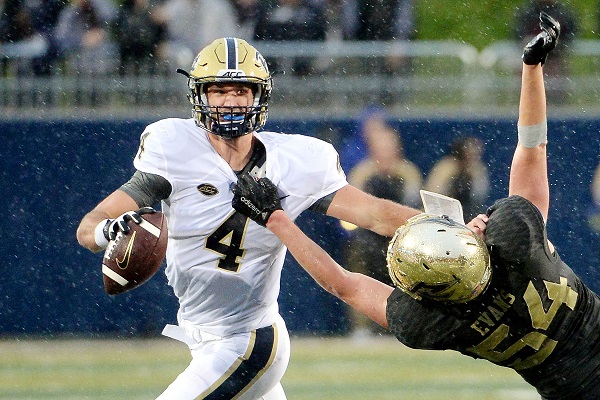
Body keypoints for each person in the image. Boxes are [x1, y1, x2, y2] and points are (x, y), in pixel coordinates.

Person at [231, 13, 600, 399]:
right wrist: (532, 68)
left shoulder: (431, 321)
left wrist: (274, 218)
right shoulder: (514, 239)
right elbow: (532, 148)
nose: (472, 226)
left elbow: (342, 284)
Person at [76, 37, 420, 399]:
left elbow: (377, 215)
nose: (230, 101)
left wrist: (451, 229)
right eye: (218, 90)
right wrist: (106, 231)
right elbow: (90, 226)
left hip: (249, 339)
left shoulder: (293, 162)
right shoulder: (173, 148)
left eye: (241, 90)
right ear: (199, 96)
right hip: (201, 335)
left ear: (260, 96)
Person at [345, 107, 422, 337]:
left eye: (389, 148)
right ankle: (361, 327)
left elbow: (415, 208)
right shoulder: (363, 172)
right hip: (368, 235)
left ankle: (406, 324)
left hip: (399, 239)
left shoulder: (407, 173)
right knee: (357, 264)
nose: (386, 153)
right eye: (381, 148)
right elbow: (351, 209)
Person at [424, 136, 490, 221]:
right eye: (471, 153)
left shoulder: (477, 169)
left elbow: (479, 195)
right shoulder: (446, 168)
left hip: (468, 211)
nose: (473, 157)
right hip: (443, 211)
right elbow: (434, 193)